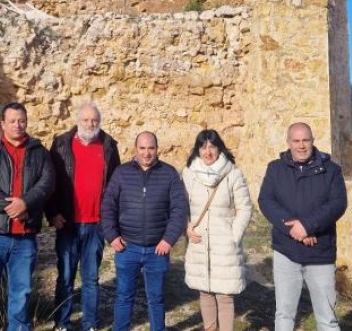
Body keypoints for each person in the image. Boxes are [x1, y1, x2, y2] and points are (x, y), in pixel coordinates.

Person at [0, 102, 54, 331]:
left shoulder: (39, 152)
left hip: (25, 236)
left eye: (22, 120)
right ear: (2, 124)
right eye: (13, 121)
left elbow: (47, 184)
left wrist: (25, 203)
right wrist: (12, 207)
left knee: (21, 292)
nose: (18, 125)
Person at [257, 122, 347, 331]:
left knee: (328, 319)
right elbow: (266, 201)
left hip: (320, 254)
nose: (301, 145)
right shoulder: (275, 169)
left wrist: (307, 226)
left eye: (305, 140)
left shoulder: (331, 170)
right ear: (288, 142)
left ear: (313, 141)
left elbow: (337, 204)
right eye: (296, 141)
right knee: (284, 316)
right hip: (286, 252)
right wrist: (294, 230)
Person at [100, 131, 188, 331]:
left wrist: (168, 240)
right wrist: (112, 235)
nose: (147, 153)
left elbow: (179, 210)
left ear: (157, 149)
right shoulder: (122, 173)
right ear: (135, 149)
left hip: (157, 249)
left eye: (151, 148)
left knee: (156, 299)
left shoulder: (169, 173)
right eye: (142, 148)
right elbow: (108, 206)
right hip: (127, 248)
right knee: (124, 296)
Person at [46, 102, 121, 331]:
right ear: (78, 121)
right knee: (66, 277)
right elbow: (50, 182)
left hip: (96, 225)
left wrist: (111, 222)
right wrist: (53, 214)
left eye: (95, 120)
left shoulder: (108, 146)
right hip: (68, 223)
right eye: (86, 120)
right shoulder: (61, 145)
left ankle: (90, 323)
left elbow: (115, 186)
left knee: (90, 278)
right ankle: (62, 323)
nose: (91, 124)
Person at [182, 129, 253, 331]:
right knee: (205, 292)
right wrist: (186, 228)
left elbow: (244, 208)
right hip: (199, 240)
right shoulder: (189, 174)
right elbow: (181, 207)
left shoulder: (233, 174)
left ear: (219, 148)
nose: (208, 152)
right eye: (203, 147)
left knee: (224, 295)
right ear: (197, 150)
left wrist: (234, 235)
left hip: (225, 244)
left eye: (212, 146)